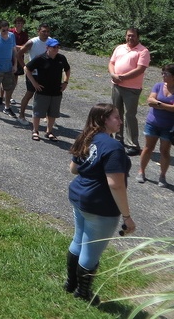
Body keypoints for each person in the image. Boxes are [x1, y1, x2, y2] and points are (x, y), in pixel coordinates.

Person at [67, 103, 135, 306]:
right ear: (104, 120)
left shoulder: (86, 137)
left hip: (79, 197)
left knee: (78, 240)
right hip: (100, 205)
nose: (120, 121)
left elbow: (73, 169)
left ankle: (70, 284)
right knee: (91, 250)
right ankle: (83, 293)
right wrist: (127, 217)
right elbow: (116, 185)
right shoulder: (114, 147)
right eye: (116, 117)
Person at [109, 28, 151, 155]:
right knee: (116, 113)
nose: (130, 38)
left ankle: (133, 144)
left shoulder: (143, 51)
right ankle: (118, 139)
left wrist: (122, 77)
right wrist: (113, 74)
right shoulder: (119, 48)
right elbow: (111, 63)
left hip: (132, 88)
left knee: (130, 116)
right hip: (116, 85)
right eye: (128, 35)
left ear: (138, 37)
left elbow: (140, 69)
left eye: (133, 36)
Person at [25, 38, 71, 141]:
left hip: (56, 91)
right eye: (54, 47)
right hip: (42, 90)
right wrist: (34, 83)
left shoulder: (61, 58)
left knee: (52, 113)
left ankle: (49, 132)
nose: (56, 49)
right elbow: (27, 69)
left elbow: (67, 69)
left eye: (57, 47)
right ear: (47, 47)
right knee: (37, 112)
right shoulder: (40, 58)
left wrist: (65, 82)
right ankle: (35, 131)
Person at [137, 63, 174, 187]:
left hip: (168, 126)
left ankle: (162, 176)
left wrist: (159, 104)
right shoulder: (158, 86)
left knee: (165, 151)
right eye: (162, 73)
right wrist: (165, 106)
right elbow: (150, 100)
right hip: (152, 123)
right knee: (148, 148)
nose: (163, 75)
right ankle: (141, 171)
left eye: (166, 74)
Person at [18, 23, 52, 121]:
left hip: (46, 73)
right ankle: (21, 115)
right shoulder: (32, 42)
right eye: (44, 31)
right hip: (33, 73)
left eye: (48, 31)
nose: (46, 33)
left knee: (46, 95)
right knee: (29, 94)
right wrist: (25, 67)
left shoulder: (51, 41)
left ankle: (46, 115)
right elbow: (18, 54)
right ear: (38, 32)